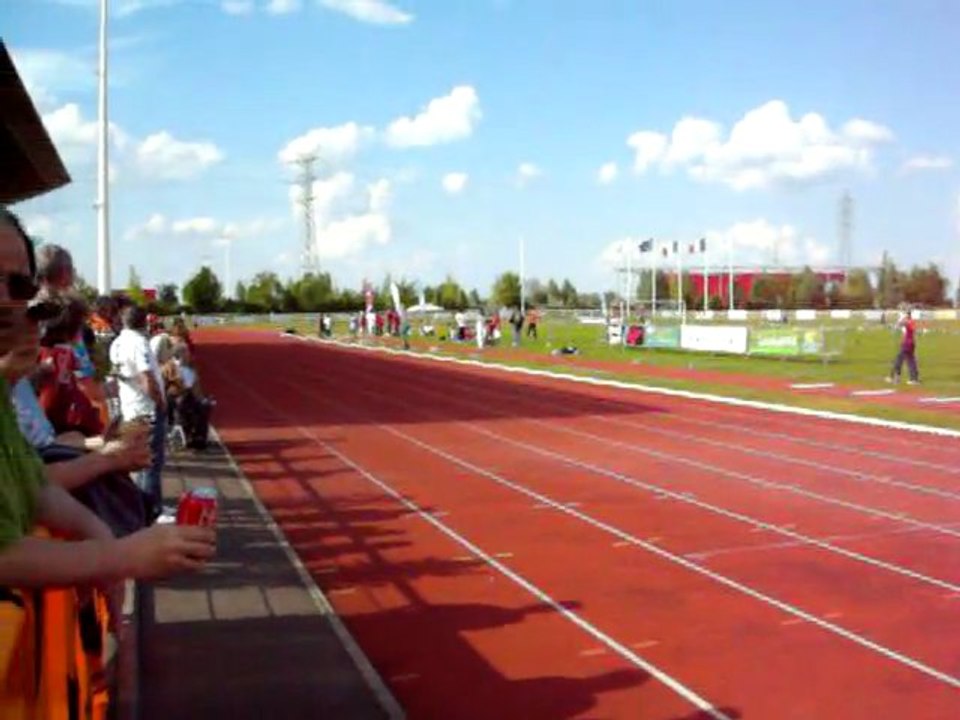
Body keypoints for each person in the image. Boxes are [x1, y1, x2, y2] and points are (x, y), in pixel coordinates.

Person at [109, 305, 167, 517]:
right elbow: (146, 377)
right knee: (150, 462)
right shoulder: (138, 342)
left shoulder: (117, 343)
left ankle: (148, 507)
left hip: (130, 406)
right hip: (146, 409)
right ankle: (150, 511)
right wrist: (160, 402)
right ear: (143, 322)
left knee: (141, 462)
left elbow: (119, 374)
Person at [887, 308, 920, 385]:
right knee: (911, 361)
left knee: (898, 360)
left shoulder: (907, 321)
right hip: (912, 344)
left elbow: (899, 325)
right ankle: (914, 379)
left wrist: (898, 321)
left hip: (906, 344)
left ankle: (894, 377)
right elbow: (913, 330)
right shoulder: (912, 321)